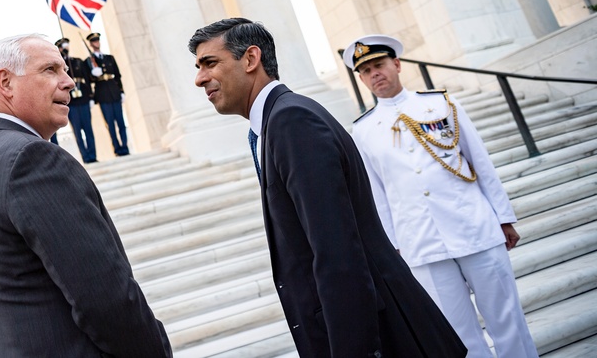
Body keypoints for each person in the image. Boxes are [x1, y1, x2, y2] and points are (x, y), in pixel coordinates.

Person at [188, 18, 466, 358]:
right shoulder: (277, 122)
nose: (200, 78)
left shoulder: (291, 122)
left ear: (250, 59)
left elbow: (337, 253)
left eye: (209, 63)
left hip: (382, 336)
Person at [0, 33, 171, 357]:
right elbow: (105, 299)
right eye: (51, 70)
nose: (69, 82)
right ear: (6, 82)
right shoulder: (32, 159)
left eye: (66, 70)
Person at [344, 34, 538, 358]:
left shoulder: (440, 104)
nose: (374, 74)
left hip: (475, 227)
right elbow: (376, 195)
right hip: (421, 243)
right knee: (457, 336)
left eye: (379, 65)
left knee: (507, 319)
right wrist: (393, 249)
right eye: (365, 71)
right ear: (361, 78)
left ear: (397, 64)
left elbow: (480, 161)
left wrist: (503, 217)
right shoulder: (363, 130)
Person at [86, 32, 129, 156]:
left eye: (97, 40)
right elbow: (89, 81)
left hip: (114, 93)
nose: (97, 43)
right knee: (110, 124)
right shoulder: (89, 61)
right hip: (103, 95)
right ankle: (116, 148)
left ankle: (125, 147)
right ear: (91, 44)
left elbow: (118, 76)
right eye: (94, 41)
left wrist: (121, 91)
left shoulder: (109, 58)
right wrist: (94, 74)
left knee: (121, 122)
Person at [56, 37, 97, 163]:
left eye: (67, 45)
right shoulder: (60, 66)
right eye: (63, 46)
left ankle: (93, 156)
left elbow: (87, 79)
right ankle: (85, 157)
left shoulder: (78, 61)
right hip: (71, 103)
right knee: (78, 131)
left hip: (83, 99)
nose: (65, 48)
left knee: (88, 129)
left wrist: (91, 97)